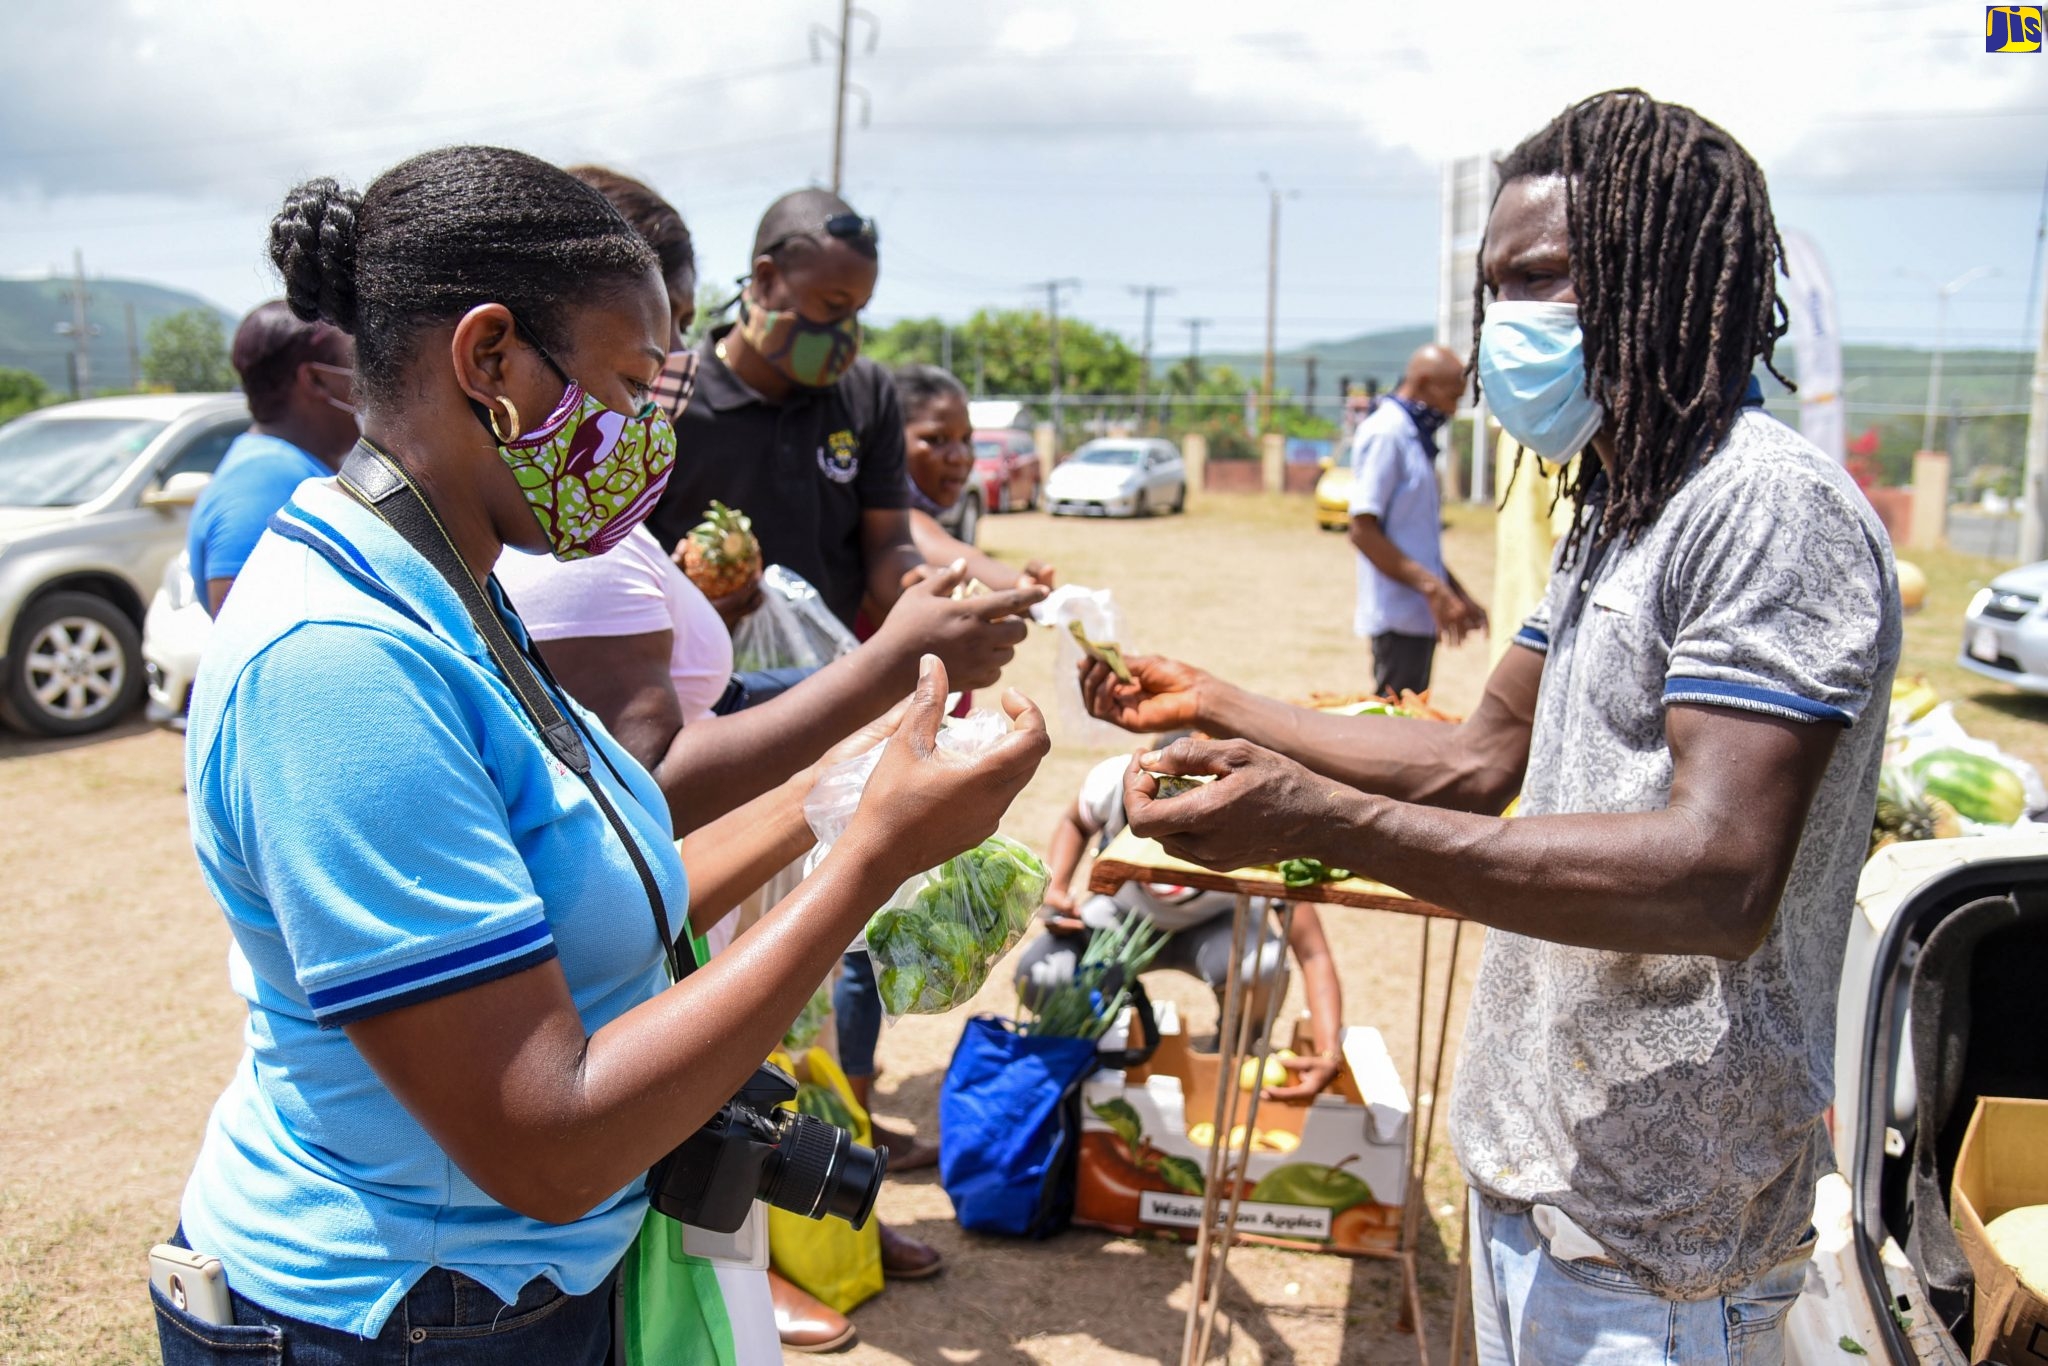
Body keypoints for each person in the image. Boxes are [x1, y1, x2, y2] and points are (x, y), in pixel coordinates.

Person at [161, 145, 1048, 1365]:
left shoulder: (450, 584)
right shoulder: (338, 664)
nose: (647, 438)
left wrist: (841, 794)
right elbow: (546, 1135)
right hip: (391, 1316)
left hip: (503, 1294)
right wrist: (874, 857)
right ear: (489, 361)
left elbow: (611, 878)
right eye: (629, 391)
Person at [1078, 90, 1900, 1365]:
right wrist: (1222, 703)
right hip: (1538, 1169)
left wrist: (1324, 821)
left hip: (1664, 1238)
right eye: (1495, 288)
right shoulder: (1622, 503)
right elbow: (1473, 757)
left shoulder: (1764, 509)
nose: (1507, 324)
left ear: (1658, 273)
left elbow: (1717, 877)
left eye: (1544, 281)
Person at [645, 188, 923, 634]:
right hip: (705, 680)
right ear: (767, 278)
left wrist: (918, 584)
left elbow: (888, 543)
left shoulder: (868, 394)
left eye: (858, 311)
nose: (846, 330)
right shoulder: (675, 400)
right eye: (833, 305)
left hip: (838, 679)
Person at [1014, 748, 1345, 1097]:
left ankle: (1235, 1051)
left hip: (1217, 924)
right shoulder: (1116, 781)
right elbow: (1076, 821)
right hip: (1124, 916)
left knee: (1263, 967)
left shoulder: (1258, 818)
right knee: (1044, 974)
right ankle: (1087, 1047)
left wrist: (1328, 1052)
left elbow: (1313, 954)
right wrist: (1058, 889)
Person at [186, 301, 359, 614]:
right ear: (315, 380)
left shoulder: (284, 467)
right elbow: (242, 629)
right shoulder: (263, 483)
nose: (368, 384)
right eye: (356, 365)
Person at [1346, 342, 1485, 697]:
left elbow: (1416, 540)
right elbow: (1363, 531)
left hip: (1419, 613)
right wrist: (1432, 588)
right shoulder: (1386, 434)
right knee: (1393, 725)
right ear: (1423, 382)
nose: (1452, 410)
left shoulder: (1414, 437)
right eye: (1451, 396)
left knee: (1411, 717)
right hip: (1398, 616)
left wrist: (1455, 592)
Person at [894, 362, 1053, 590]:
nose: (960, 456)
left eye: (966, 439)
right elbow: (929, 540)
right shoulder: (886, 516)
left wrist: (1020, 583)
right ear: (888, 440)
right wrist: (1016, 583)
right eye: (936, 439)